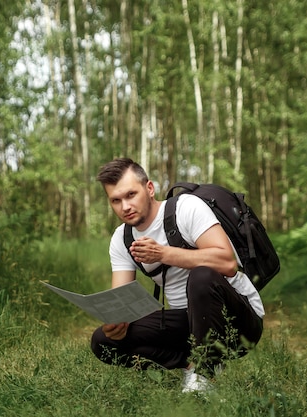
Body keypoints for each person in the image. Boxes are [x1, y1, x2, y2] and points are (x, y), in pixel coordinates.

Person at [91, 158, 264, 393]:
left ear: (149, 189)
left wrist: (163, 253)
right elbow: (121, 302)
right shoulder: (122, 239)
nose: (125, 207)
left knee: (202, 275)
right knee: (103, 341)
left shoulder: (186, 208)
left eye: (131, 195)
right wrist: (116, 321)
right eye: (116, 200)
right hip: (188, 325)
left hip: (237, 321)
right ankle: (192, 364)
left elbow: (227, 262)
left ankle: (204, 374)